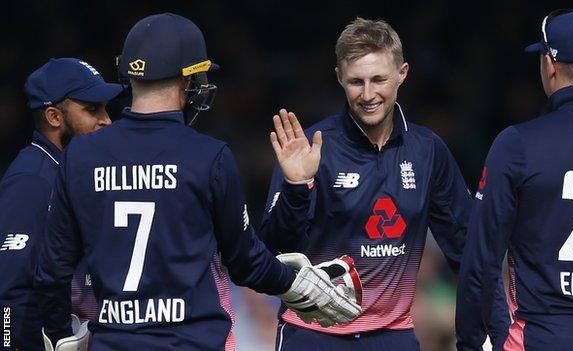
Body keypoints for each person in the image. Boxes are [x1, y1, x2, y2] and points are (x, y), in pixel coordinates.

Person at [33, 13, 360, 351]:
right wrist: (298, 286)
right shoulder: (209, 156)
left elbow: (52, 273)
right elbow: (247, 264)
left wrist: (59, 335)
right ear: (185, 81)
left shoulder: (80, 156)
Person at [260, 17, 509, 350]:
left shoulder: (427, 151)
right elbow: (271, 253)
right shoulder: (310, 148)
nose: (368, 94)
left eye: (379, 79)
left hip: (393, 337)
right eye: (355, 81)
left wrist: (500, 335)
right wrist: (295, 188)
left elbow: (469, 251)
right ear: (339, 78)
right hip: (313, 334)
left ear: (402, 74)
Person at [456, 9, 573, 350]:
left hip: (544, 337)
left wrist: (471, 343)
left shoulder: (518, 144)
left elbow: (482, 261)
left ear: (549, 64)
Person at [0, 57, 121, 351]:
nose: (106, 120)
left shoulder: (67, 172)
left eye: (105, 108)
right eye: (92, 109)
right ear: (54, 117)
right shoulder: (33, 179)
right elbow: (7, 294)